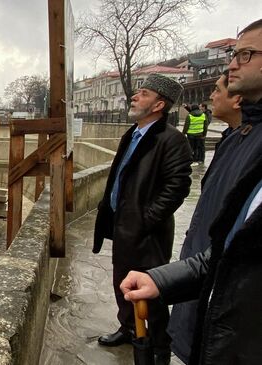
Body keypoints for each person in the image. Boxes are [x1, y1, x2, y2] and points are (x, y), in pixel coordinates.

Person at [164, 19, 262, 364]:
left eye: (246, 55)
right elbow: (229, 248)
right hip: (209, 296)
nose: (233, 63)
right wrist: (164, 281)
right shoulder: (239, 140)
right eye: (234, 54)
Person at [120, 157, 262, 365]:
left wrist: (147, 219)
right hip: (221, 345)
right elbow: (222, 259)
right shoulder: (256, 174)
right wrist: (158, 280)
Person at [93, 73, 192, 365]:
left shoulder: (171, 140)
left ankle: (160, 346)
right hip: (122, 226)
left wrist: (146, 220)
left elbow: (177, 187)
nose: (135, 96)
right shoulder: (134, 133)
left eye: (144, 93)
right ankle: (128, 327)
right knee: (122, 281)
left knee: (152, 290)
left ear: (159, 104)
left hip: (147, 232)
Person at [209, 70, 242, 153]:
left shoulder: (250, 146)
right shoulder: (230, 137)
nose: (211, 96)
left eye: (217, 90)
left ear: (237, 101)